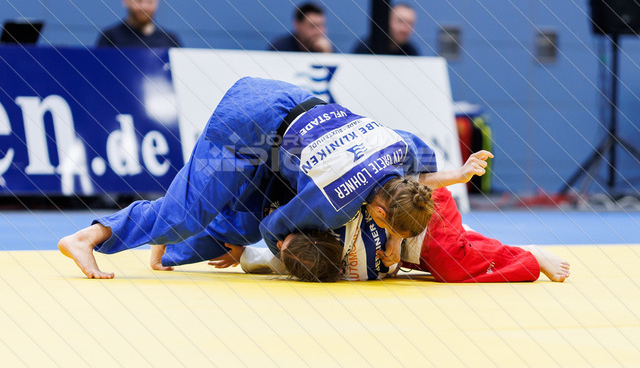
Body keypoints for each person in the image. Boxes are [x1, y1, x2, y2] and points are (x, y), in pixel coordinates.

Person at [58, 76, 454, 279]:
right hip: (249, 125)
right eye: (390, 230)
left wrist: (458, 175)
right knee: (192, 217)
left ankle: (165, 242)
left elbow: (425, 170)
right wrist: (249, 253)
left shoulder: (400, 149)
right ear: (380, 214)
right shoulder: (337, 200)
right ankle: (87, 237)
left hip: (286, 103)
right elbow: (273, 229)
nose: (389, 237)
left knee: (239, 222)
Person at [213, 153, 571, 284]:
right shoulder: (291, 260)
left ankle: (529, 257)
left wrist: (397, 240)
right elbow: (261, 259)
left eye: (281, 242)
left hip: (416, 210)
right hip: (412, 239)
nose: (278, 244)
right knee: (439, 260)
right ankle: (468, 239)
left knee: (448, 265)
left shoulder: (333, 209)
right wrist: (240, 253)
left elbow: (406, 188)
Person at [96, 0, 182, 48]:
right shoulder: (110, 39)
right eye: (139, 0)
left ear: (157, 2)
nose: (144, 7)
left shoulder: (170, 41)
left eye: (150, 1)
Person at [352, 3, 419, 56]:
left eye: (410, 23)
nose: (404, 28)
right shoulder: (365, 48)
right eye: (400, 21)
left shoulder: (412, 52)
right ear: (388, 21)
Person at [268, 2, 334, 53]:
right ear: (297, 24)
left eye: (322, 25)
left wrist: (327, 53)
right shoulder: (279, 48)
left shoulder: (326, 49)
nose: (319, 31)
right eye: (313, 26)